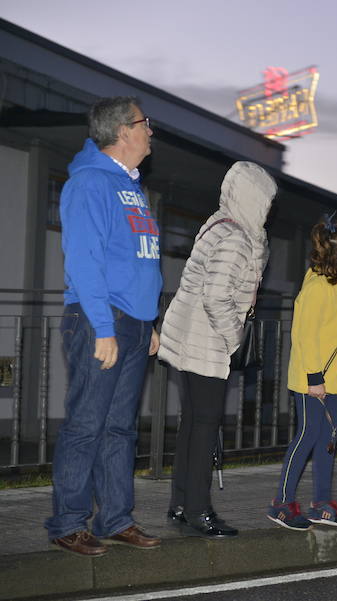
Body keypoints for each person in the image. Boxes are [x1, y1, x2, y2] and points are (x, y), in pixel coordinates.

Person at [46, 97, 163, 556]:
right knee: (86, 426)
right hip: (102, 320)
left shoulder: (130, 187)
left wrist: (148, 322)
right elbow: (85, 262)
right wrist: (104, 328)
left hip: (132, 322)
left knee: (120, 429)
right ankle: (68, 523)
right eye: (144, 123)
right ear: (122, 131)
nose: (150, 131)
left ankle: (115, 518)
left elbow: (136, 261)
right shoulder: (91, 183)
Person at [158, 161, 276, 537]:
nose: (268, 209)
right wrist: (235, 339)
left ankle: (181, 503)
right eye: (265, 200)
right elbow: (217, 297)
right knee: (205, 426)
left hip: (188, 337)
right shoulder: (237, 238)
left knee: (192, 425)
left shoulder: (217, 224)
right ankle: (198, 510)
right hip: (206, 342)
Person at [266, 218, 337, 530]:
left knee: (328, 441)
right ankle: (281, 502)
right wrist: (314, 379)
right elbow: (305, 336)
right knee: (307, 436)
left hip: (335, 380)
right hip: (314, 382)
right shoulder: (318, 288)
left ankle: (321, 501)